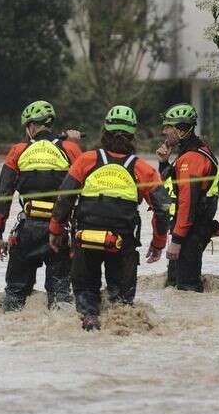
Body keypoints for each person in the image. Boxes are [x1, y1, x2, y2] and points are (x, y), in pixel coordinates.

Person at [48, 106, 171, 330]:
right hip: (122, 244)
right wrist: (158, 243)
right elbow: (163, 208)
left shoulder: (86, 160)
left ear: (104, 131)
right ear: (133, 136)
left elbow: (63, 200)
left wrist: (55, 231)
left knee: (86, 298)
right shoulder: (142, 168)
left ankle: (90, 319)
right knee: (121, 304)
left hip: (86, 239)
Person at [0, 100, 83, 311]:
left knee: (14, 296)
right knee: (60, 296)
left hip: (27, 232)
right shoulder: (70, 149)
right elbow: (85, 187)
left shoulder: (18, 151)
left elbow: (4, 196)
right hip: (59, 231)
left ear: (31, 126)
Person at [154, 103, 219, 292]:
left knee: (187, 290)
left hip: (190, 234)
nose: (164, 131)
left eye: (167, 127)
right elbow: (169, 189)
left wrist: (176, 241)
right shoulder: (186, 154)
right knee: (173, 286)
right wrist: (163, 164)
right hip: (186, 231)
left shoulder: (192, 159)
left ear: (181, 129)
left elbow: (188, 203)